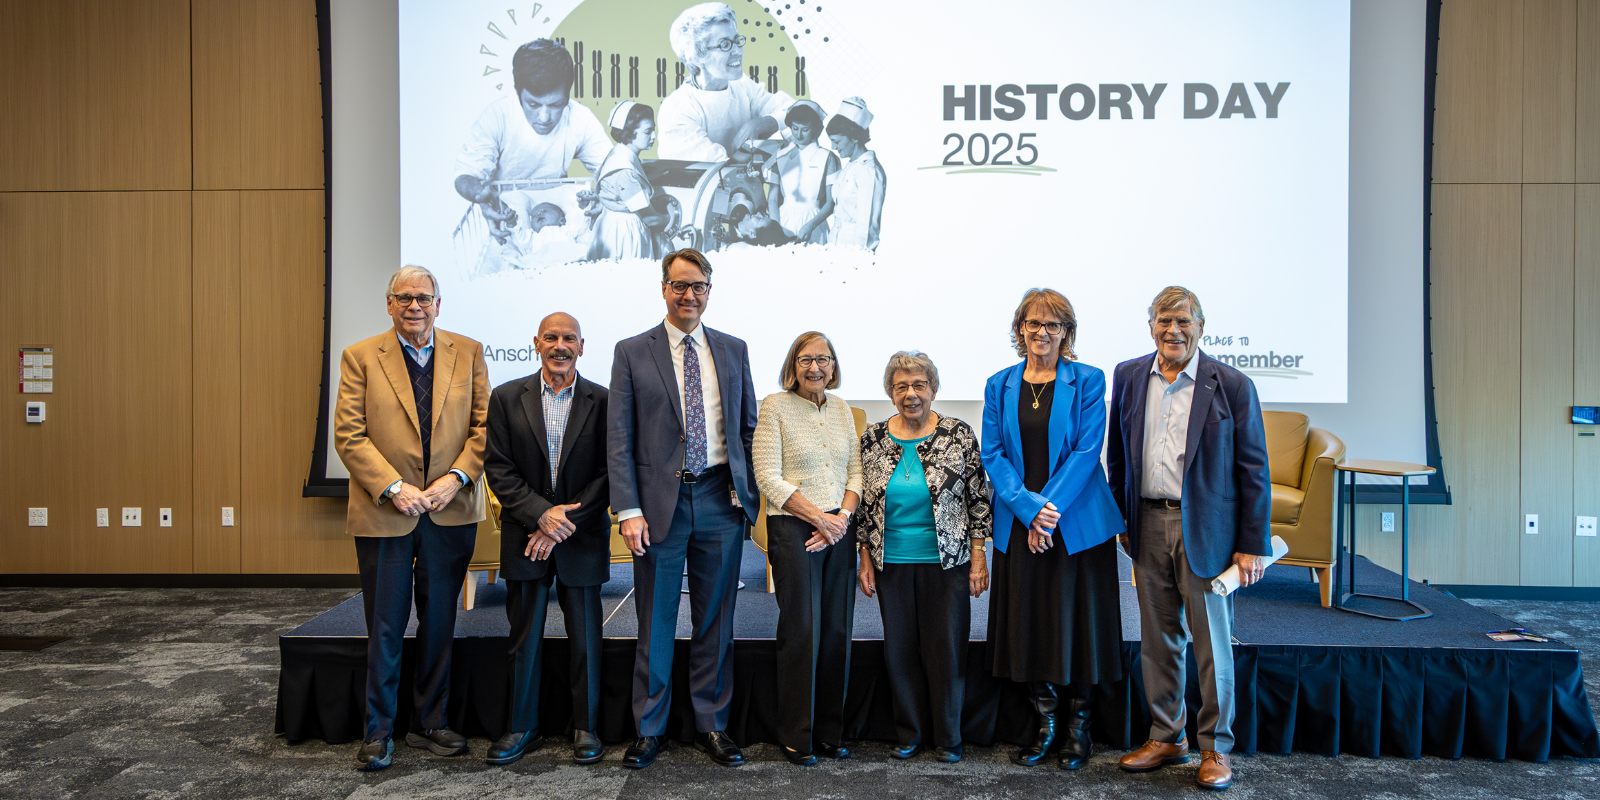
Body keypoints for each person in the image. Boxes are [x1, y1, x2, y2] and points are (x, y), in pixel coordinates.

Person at [1106, 286, 1272, 792]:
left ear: (1201, 326)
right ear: (1150, 325)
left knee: (1212, 646)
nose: (1172, 330)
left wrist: (1252, 542)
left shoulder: (1233, 385)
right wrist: (1123, 519)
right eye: (1163, 320)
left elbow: (1254, 469)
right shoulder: (1130, 375)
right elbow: (1118, 455)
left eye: (1182, 321)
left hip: (1209, 532)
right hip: (1147, 525)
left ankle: (1216, 747)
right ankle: (1166, 735)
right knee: (1158, 642)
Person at [608, 247, 761, 769]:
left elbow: (746, 428)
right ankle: (649, 728)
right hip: (657, 507)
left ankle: (712, 724)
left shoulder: (734, 349)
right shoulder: (632, 351)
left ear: (709, 291)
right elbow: (620, 437)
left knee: (716, 619)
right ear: (664, 289)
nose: (689, 295)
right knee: (654, 619)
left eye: (698, 286)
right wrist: (627, 509)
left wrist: (747, 495)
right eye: (679, 285)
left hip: (721, 499)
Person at [333, 265, 489, 771]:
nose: (414, 306)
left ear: (438, 304)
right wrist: (395, 488)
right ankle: (378, 731)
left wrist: (456, 479)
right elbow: (349, 435)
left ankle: (432, 721)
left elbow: (486, 428)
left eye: (423, 297)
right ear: (389, 304)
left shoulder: (468, 352)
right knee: (384, 624)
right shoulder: (360, 356)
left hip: (450, 509)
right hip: (388, 512)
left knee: (440, 621)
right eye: (404, 297)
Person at [981, 289, 1125, 771]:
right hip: (1020, 525)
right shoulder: (998, 384)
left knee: (1078, 624)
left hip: (1077, 525)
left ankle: (1079, 729)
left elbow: (1088, 453)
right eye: (1032, 323)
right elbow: (993, 454)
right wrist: (1027, 510)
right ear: (1019, 328)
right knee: (1030, 624)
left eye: (1053, 325)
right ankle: (1045, 724)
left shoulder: (1087, 380)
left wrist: (1047, 511)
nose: (1041, 332)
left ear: (1067, 332)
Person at [483, 312, 610, 767]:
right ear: (536, 342)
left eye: (569, 338)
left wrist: (560, 523)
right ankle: (522, 726)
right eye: (551, 337)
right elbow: (498, 468)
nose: (560, 345)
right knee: (524, 636)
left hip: (581, 535)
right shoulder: (505, 397)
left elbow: (609, 473)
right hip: (526, 534)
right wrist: (542, 517)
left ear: (582, 345)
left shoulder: (605, 400)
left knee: (586, 638)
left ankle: (586, 726)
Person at [854, 351, 992, 764]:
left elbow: (978, 500)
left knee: (945, 650)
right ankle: (909, 733)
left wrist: (979, 556)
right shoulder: (873, 439)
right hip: (890, 561)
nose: (911, 394)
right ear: (890, 393)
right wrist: (863, 557)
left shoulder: (958, 434)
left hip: (947, 562)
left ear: (933, 389)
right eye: (901, 387)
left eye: (919, 385)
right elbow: (863, 507)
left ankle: (948, 737)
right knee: (900, 651)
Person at [751, 332, 863, 766]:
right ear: (792, 365)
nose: (815, 367)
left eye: (823, 359)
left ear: (834, 366)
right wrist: (819, 518)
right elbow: (767, 476)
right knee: (803, 630)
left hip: (839, 528)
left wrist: (841, 521)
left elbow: (855, 470)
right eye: (805, 359)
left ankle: (830, 731)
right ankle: (798, 733)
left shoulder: (840, 409)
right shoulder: (774, 407)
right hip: (795, 528)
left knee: (837, 630)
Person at [455, 39, 610, 232]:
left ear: (568, 96)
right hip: (506, 219)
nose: (544, 118)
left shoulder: (580, 118)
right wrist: (479, 194)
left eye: (555, 105)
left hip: (557, 218)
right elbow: (466, 174)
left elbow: (613, 169)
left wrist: (608, 198)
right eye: (533, 105)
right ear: (518, 94)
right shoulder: (498, 116)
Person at [658, 3, 795, 161]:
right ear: (698, 55)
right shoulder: (677, 110)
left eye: (737, 40)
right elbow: (721, 173)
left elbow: (799, 114)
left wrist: (762, 123)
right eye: (724, 44)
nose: (737, 50)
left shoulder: (742, 85)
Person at [588, 101, 669, 262]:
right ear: (629, 132)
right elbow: (649, 218)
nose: (654, 136)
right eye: (648, 131)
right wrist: (670, 219)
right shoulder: (625, 172)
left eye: (653, 130)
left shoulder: (618, 154)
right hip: (623, 233)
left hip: (612, 226)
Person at [766, 101, 838, 243]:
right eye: (795, 128)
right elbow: (773, 199)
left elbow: (830, 202)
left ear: (815, 129)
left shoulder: (828, 158)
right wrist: (776, 228)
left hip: (814, 222)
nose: (799, 135)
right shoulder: (779, 156)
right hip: (783, 221)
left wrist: (810, 225)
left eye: (805, 129)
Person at [824, 97, 885, 250]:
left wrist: (859, 262)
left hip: (853, 249)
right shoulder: (850, 166)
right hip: (834, 243)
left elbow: (868, 226)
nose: (833, 146)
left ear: (854, 137)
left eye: (837, 141)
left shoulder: (869, 171)